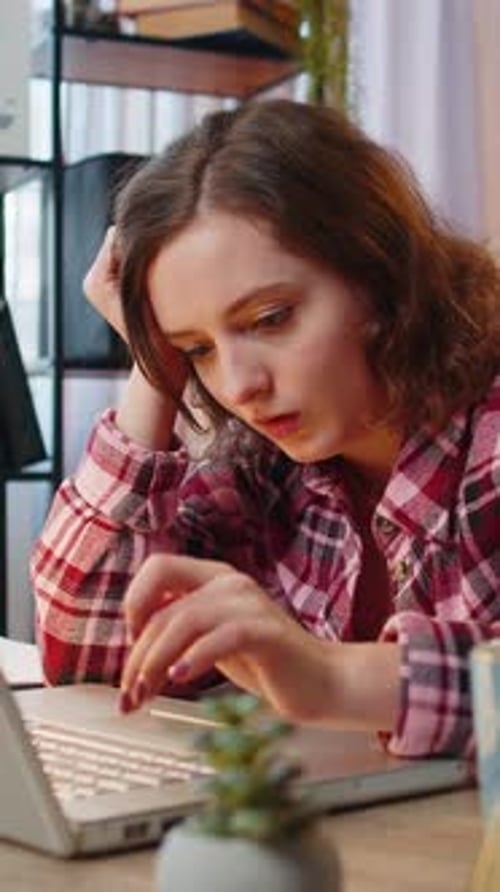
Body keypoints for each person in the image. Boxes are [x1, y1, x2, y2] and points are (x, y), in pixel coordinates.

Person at [31, 99, 500, 760]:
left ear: (381, 275)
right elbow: (87, 654)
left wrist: (332, 677)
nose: (238, 385)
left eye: (271, 318)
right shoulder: (265, 471)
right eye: (197, 348)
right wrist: (153, 365)